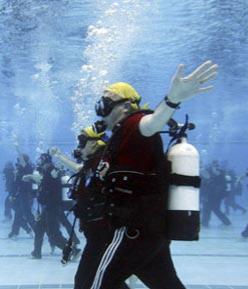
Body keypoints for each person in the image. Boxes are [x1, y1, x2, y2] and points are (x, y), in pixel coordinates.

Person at [88, 60, 217, 289]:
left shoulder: (133, 124)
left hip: (132, 231)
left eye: (106, 102)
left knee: (96, 285)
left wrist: (172, 99)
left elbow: (152, 122)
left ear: (126, 107)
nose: (101, 109)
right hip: (153, 232)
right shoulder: (118, 138)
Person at [50, 124, 133, 289]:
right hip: (97, 235)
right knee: (104, 280)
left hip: (102, 236)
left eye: (82, 141)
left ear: (96, 143)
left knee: (85, 281)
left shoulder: (101, 164)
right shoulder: (93, 164)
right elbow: (80, 169)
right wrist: (60, 156)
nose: (79, 146)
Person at [29, 153, 78, 259]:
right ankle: (37, 252)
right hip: (48, 206)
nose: (39, 163)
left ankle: (73, 250)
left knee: (53, 234)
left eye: (41, 160)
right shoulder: (48, 171)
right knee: (39, 229)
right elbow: (45, 184)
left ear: (45, 161)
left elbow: (49, 187)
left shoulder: (52, 171)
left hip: (52, 207)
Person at [8, 153, 35, 239]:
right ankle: (15, 232)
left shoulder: (28, 168)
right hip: (21, 195)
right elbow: (16, 183)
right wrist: (13, 194)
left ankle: (37, 230)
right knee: (18, 214)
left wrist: (17, 147)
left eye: (19, 160)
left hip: (27, 195)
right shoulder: (20, 169)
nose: (18, 162)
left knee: (27, 215)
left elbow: (18, 183)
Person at [201, 160, 232, 227]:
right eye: (214, 165)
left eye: (217, 165)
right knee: (208, 208)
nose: (216, 167)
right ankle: (205, 223)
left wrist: (210, 180)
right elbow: (203, 184)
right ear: (211, 165)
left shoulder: (221, 173)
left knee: (214, 209)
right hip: (208, 194)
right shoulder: (207, 172)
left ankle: (226, 222)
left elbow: (223, 185)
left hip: (216, 195)